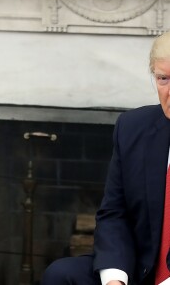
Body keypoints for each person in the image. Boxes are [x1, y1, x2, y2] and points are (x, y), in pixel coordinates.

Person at [41, 31, 170, 285]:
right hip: (141, 269)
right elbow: (114, 213)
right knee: (61, 274)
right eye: (164, 78)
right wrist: (115, 278)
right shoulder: (132, 128)